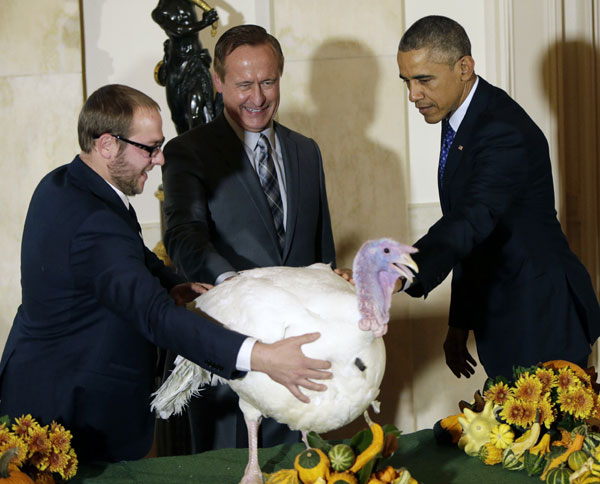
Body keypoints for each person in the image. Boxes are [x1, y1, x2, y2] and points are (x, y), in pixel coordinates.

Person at [0, 84, 332, 463]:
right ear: (107, 145)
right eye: (150, 148)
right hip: (73, 414)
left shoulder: (63, 184)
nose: (159, 160)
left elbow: (132, 256)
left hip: (39, 386)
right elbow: (156, 317)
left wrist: (175, 284)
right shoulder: (96, 221)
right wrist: (261, 357)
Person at [161, 24, 337, 450]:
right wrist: (232, 283)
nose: (257, 98)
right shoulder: (188, 152)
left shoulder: (306, 151)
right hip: (228, 351)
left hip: (299, 360)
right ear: (218, 82)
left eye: (267, 82)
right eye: (243, 84)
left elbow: (322, 252)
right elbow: (184, 236)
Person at [396, 15, 600, 380]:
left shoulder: (501, 130)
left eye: (423, 80)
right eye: (407, 81)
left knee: (552, 438)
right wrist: (460, 322)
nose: (413, 95)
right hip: (504, 317)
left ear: (464, 67)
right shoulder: (462, 115)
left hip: (541, 319)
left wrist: (399, 270)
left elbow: (471, 219)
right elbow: (473, 236)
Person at [151, 0, 222, 134]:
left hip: (196, 64)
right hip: (177, 68)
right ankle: (185, 151)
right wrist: (204, 23)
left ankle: (204, 150)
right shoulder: (159, 13)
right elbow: (177, 30)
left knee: (197, 114)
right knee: (180, 119)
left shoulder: (190, 2)